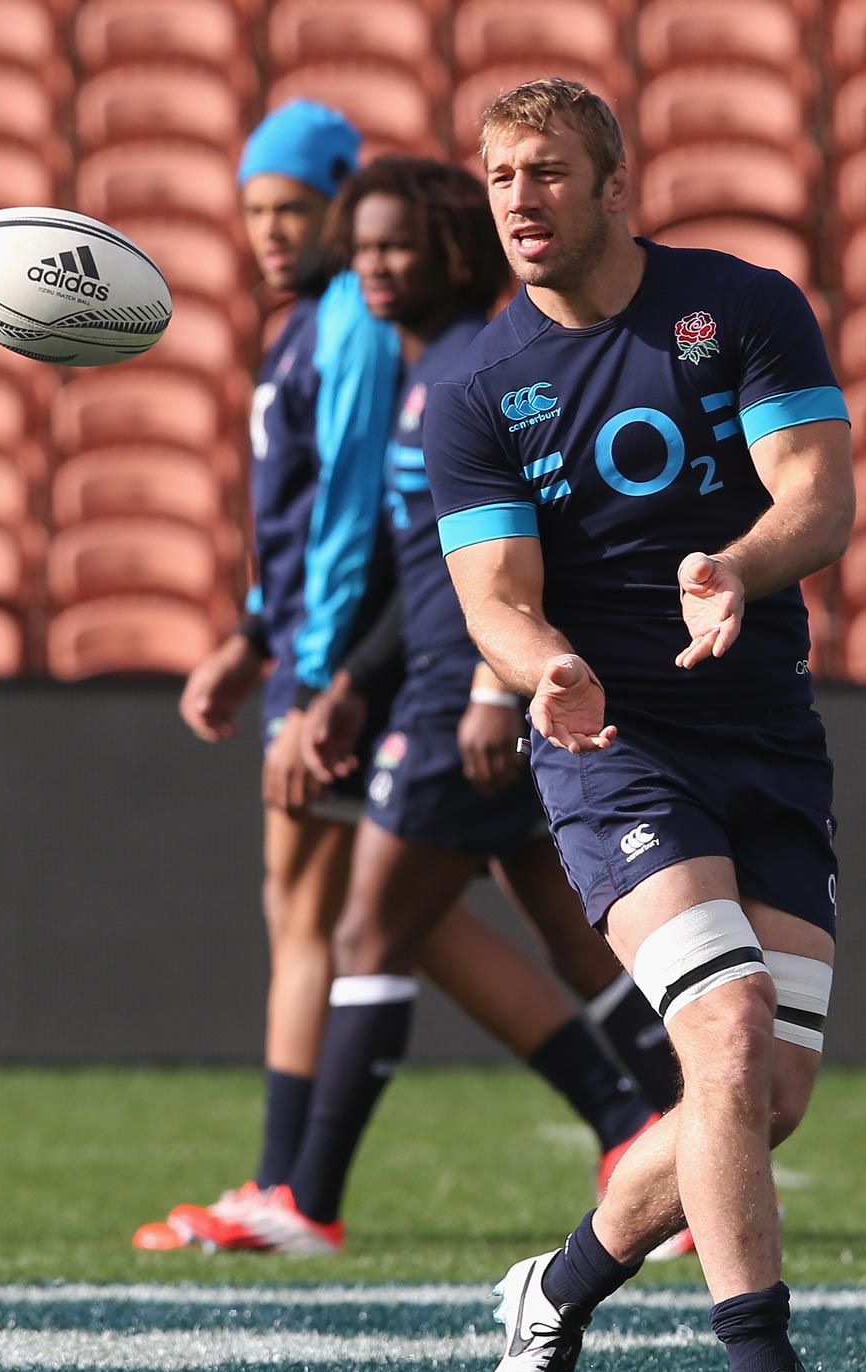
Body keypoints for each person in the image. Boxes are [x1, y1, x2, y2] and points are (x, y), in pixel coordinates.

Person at [426, 80, 866, 1372]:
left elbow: (820, 491)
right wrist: (540, 664)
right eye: (501, 174)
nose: (518, 198)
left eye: (546, 171)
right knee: (727, 1036)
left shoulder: (739, 307)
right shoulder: (477, 391)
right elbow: (495, 593)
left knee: (761, 1100)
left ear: (613, 184)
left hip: (769, 739)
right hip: (613, 751)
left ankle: (555, 1290)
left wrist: (735, 565)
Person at [140, 106, 658, 1254]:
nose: (370, 265)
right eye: (360, 245)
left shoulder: (461, 370)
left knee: (368, 930)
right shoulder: (427, 368)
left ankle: (304, 1198)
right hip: (424, 677)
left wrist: (477, 688)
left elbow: (502, 555)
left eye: (392, 245)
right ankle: (662, 1133)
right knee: (557, 935)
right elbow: (416, 555)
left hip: (450, 690)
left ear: (450, 251)